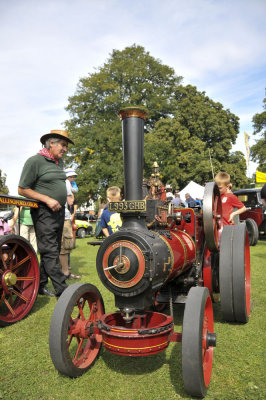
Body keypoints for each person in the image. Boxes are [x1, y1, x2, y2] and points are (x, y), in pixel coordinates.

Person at [18, 129, 74, 297]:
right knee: (50, 251)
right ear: (51, 143)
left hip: (58, 212)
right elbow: (22, 189)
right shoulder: (34, 161)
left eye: (66, 146)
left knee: (52, 251)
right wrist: (47, 199)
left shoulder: (59, 163)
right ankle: (62, 291)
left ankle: (41, 285)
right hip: (43, 212)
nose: (65, 149)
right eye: (63, 145)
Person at [59, 177, 80, 280]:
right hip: (64, 217)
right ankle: (65, 272)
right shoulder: (66, 182)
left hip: (58, 216)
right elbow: (71, 200)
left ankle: (64, 272)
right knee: (65, 246)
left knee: (62, 246)